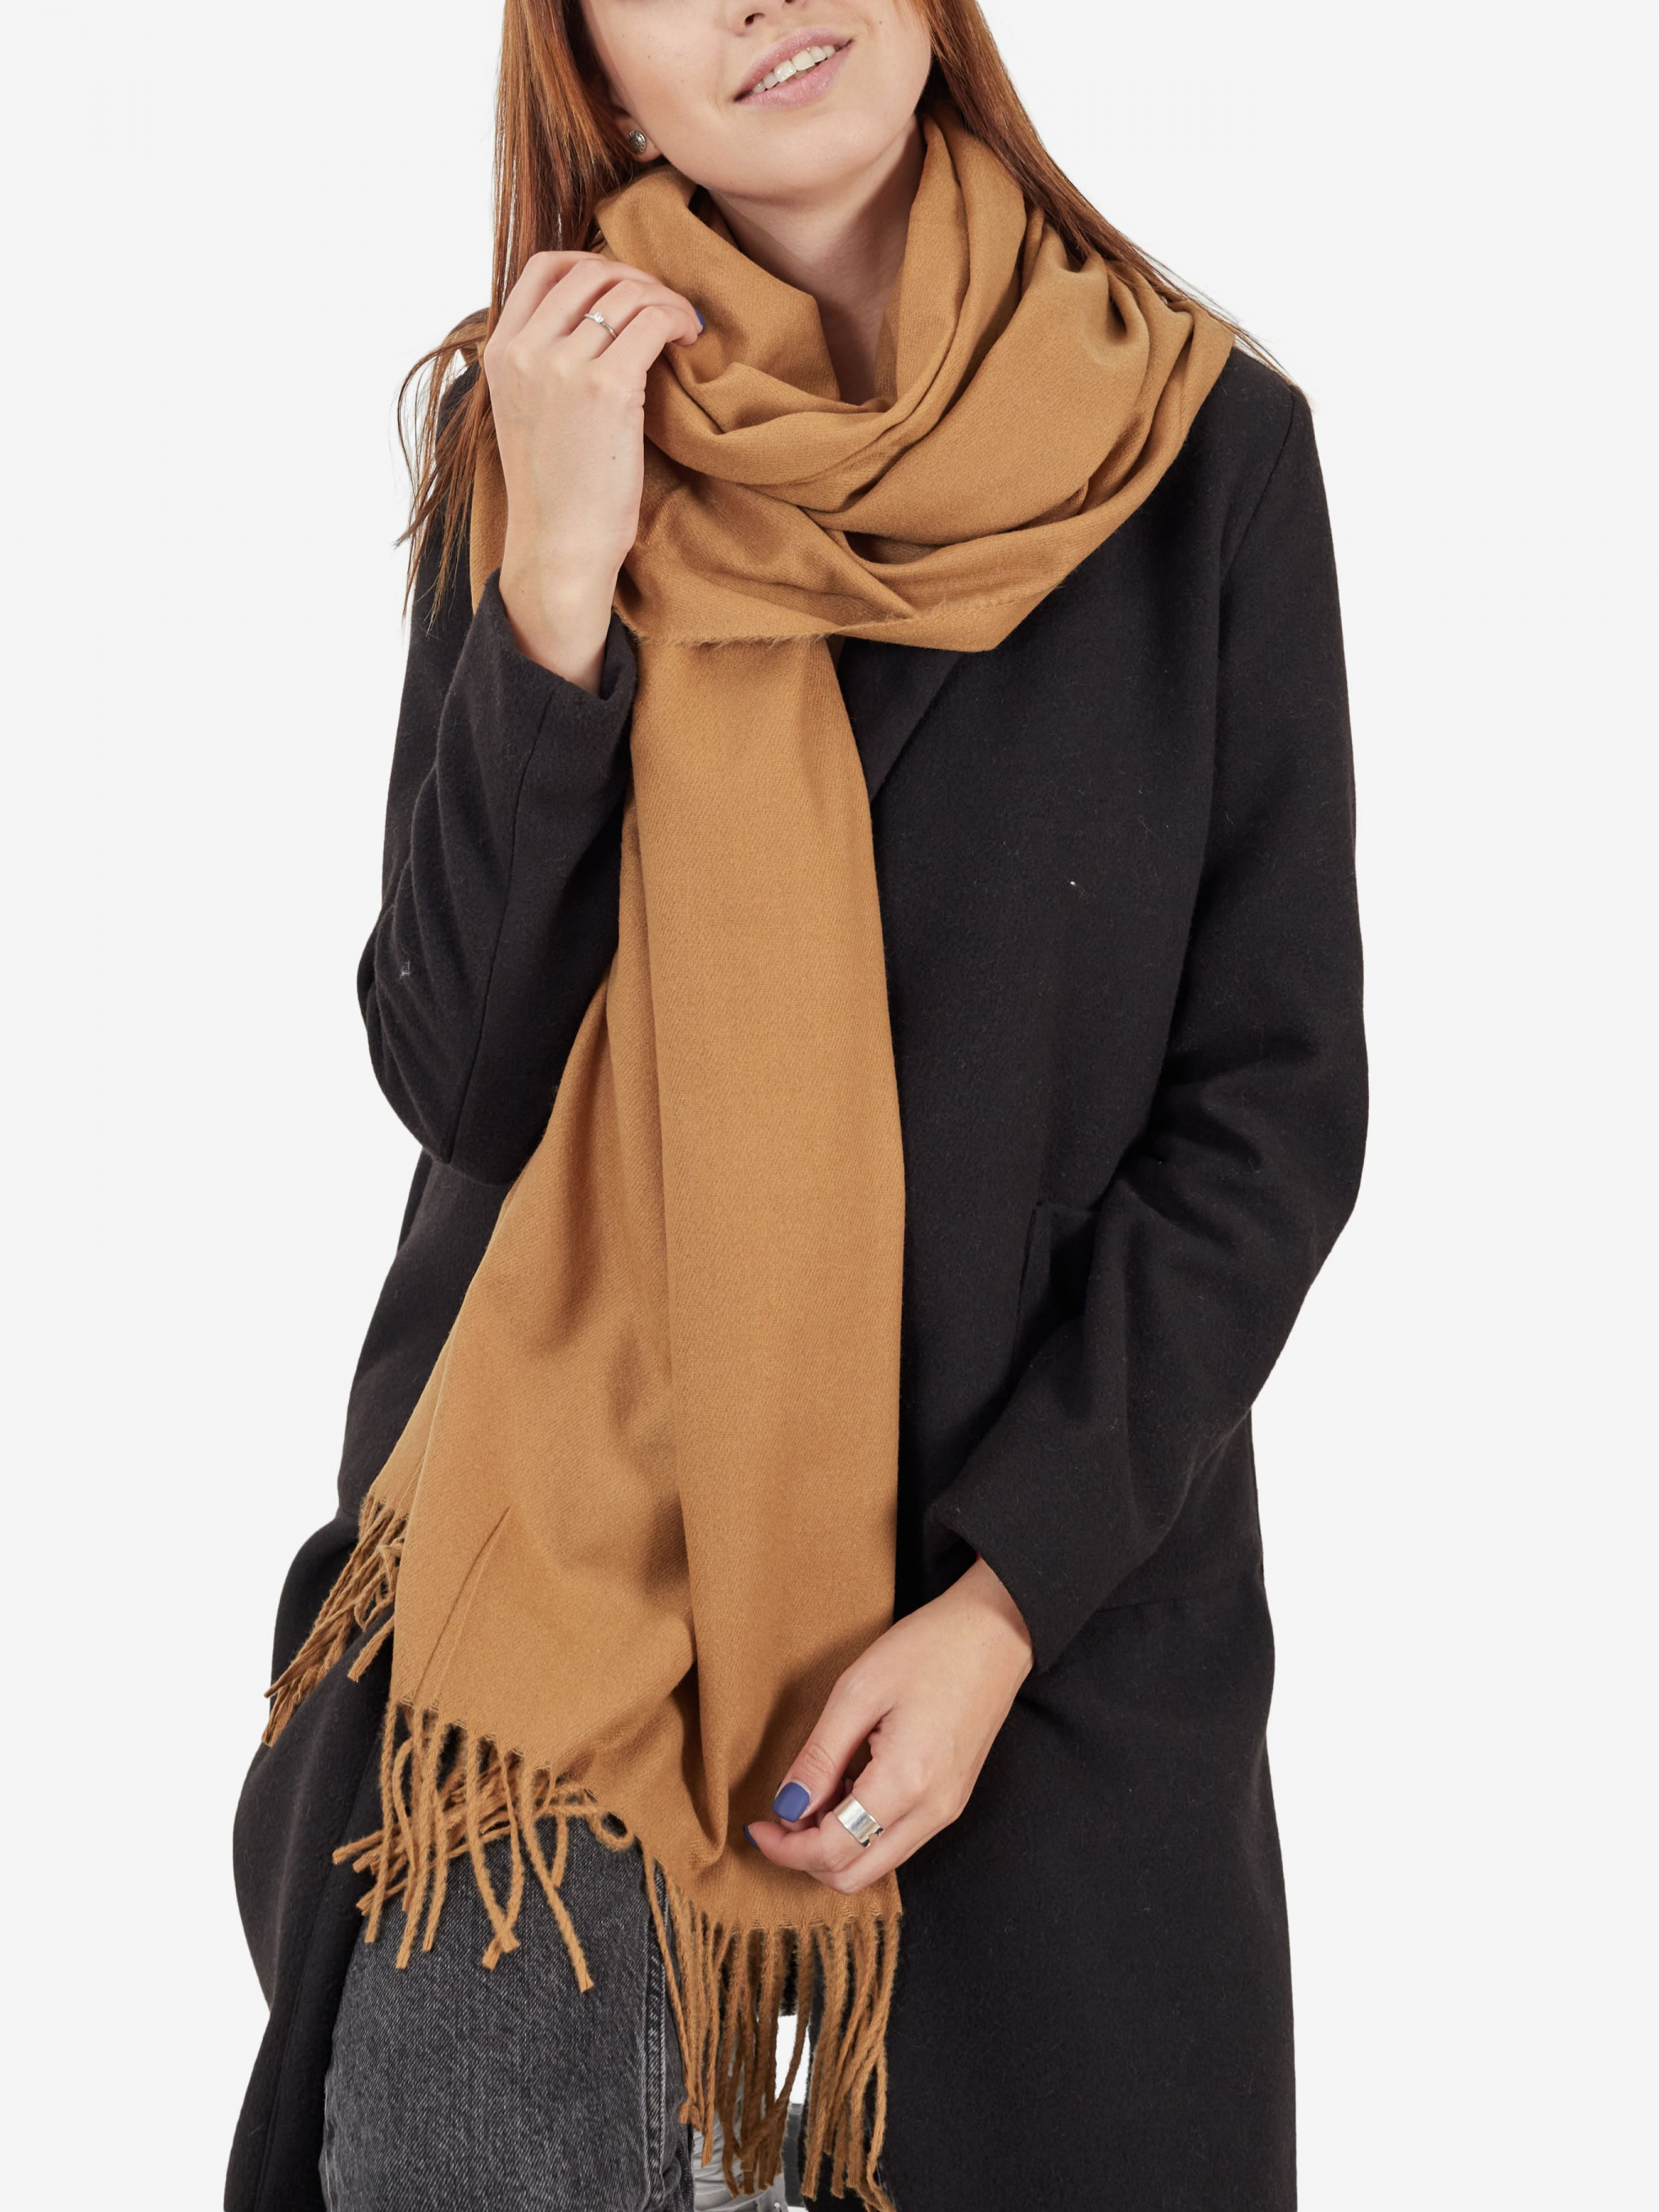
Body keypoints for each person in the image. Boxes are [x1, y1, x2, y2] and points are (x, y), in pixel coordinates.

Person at [229, 3, 1367, 2210]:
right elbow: (459, 1070)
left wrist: (1000, 1608)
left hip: (1016, 1649)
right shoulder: (538, 421)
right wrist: (560, 580)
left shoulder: (1200, 449)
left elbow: (1266, 1114)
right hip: (538, 1681)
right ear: (592, 72)